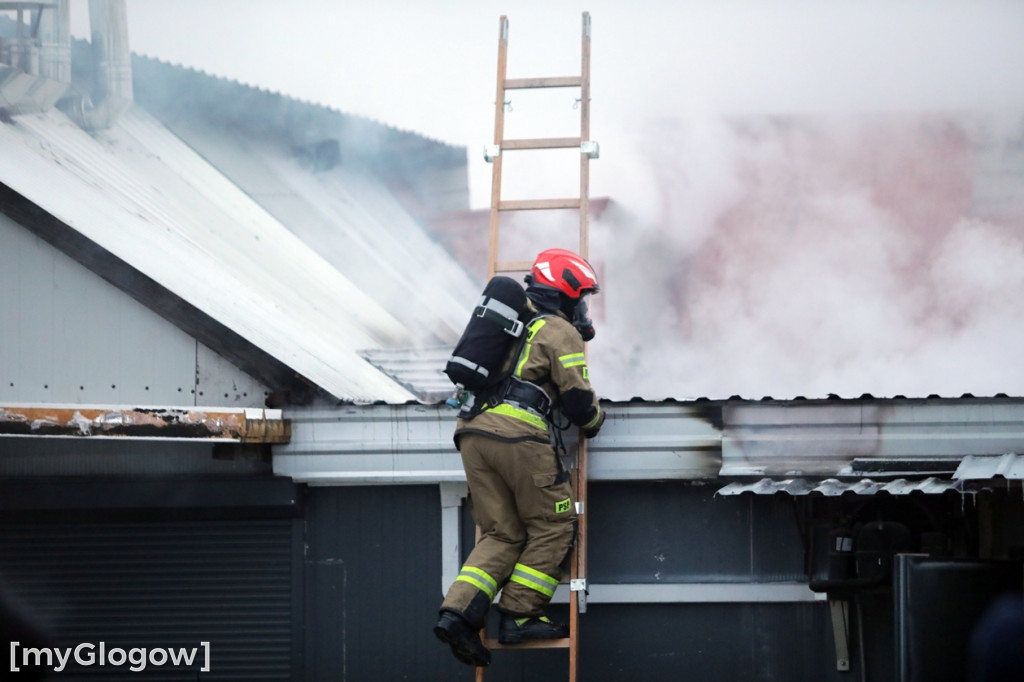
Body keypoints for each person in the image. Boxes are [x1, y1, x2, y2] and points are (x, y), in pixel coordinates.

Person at [434, 248, 605, 668]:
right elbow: (580, 404)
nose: (581, 307)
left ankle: (456, 614)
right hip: (518, 437)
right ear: (564, 294)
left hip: (472, 434)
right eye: (579, 296)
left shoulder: (510, 326)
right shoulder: (558, 330)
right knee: (553, 522)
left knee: (501, 533)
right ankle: (520, 614)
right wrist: (598, 418)